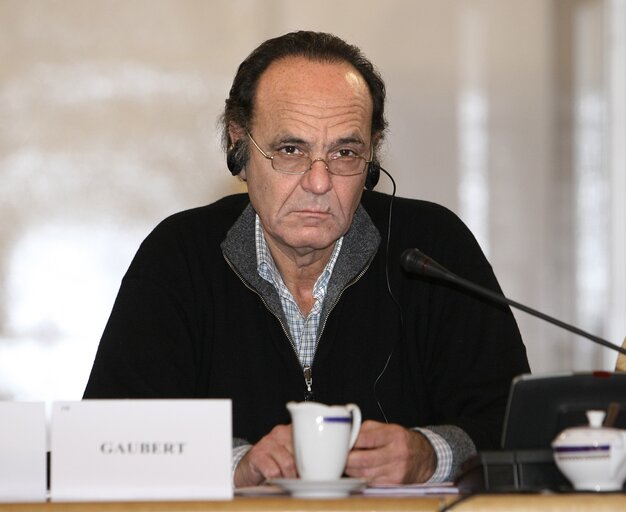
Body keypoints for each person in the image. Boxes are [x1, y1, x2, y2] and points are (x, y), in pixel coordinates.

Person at [84, 31, 529, 487]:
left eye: (345, 152)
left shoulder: (434, 250)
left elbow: (518, 427)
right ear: (241, 143)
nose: (319, 182)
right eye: (291, 150)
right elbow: (107, 437)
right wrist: (236, 464)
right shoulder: (179, 256)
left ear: (372, 157)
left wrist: (431, 455)